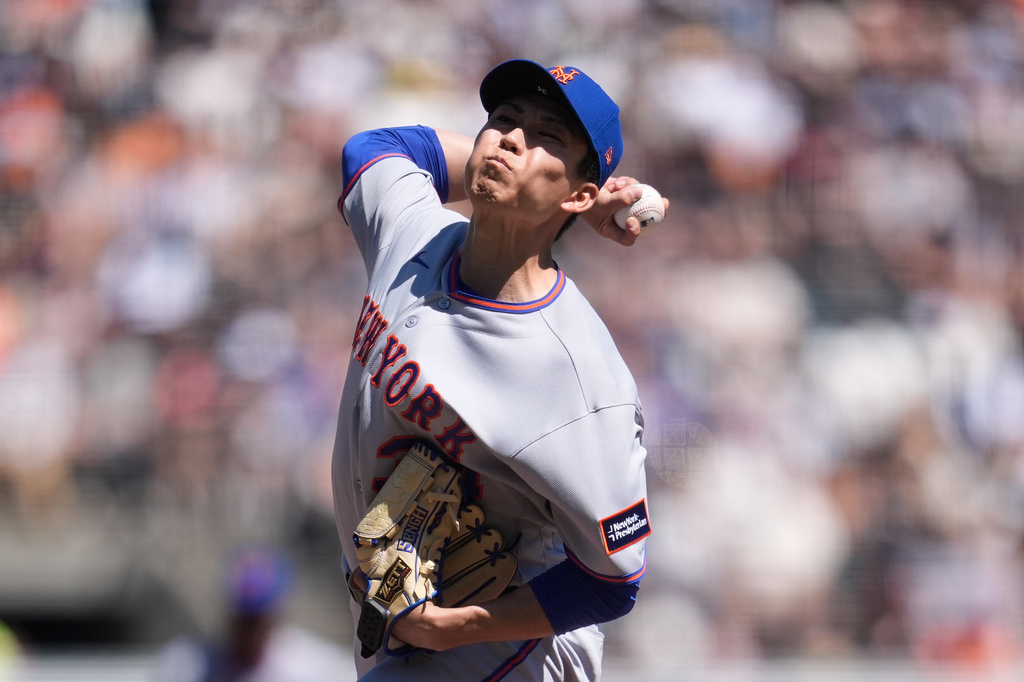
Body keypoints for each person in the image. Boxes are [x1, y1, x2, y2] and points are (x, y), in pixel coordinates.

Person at [332, 59, 668, 681]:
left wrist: (450, 628)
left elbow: (614, 580)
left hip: (513, 654)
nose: (513, 138)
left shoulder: (576, 375)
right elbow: (374, 147)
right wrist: (563, 200)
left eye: (548, 136)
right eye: (504, 121)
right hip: (408, 638)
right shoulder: (412, 234)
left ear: (579, 191)